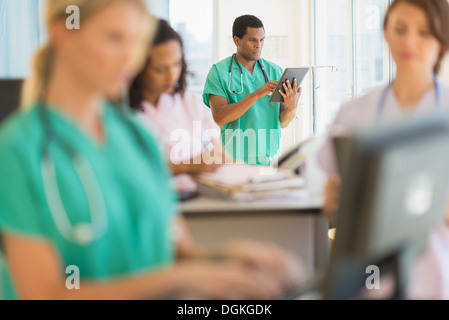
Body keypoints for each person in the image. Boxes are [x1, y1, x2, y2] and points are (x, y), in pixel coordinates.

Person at [0, 0, 303, 300]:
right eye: (115, 38)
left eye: (136, 42)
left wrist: (233, 258)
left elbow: (178, 253)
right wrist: (190, 278)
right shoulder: (19, 149)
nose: (129, 57)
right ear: (64, 34)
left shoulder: (136, 136)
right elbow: (45, 293)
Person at [317, 0, 449, 299]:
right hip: (371, 278)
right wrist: (337, 202)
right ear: (385, 32)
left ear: (443, 41)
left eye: (425, 32)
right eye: (400, 29)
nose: (410, 42)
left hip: (438, 272)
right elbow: (333, 210)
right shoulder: (353, 114)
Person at [129, 19, 227, 193]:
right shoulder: (121, 111)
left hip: (201, 199)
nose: (172, 76)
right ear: (138, 66)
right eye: (160, 69)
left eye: (177, 64)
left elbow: (217, 151)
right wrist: (187, 166)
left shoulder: (188, 102)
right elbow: (128, 172)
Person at [203, 15, 302, 166]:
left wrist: (291, 109)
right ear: (237, 40)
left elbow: (282, 122)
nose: (259, 45)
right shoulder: (219, 72)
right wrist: (256, 94)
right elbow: (219, 117)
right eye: (252, 40)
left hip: (269, 159)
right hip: (233, 160)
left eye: (262, 40)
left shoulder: (274, 71)